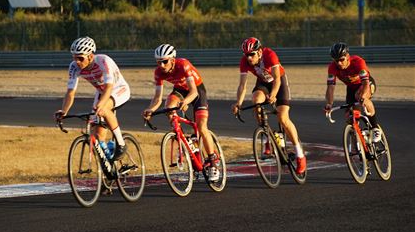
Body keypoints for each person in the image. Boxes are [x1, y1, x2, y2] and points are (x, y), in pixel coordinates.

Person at [142, 43, 220, 181]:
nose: (161, 65)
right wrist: (151, 109)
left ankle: (212, 161)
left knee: (201, 126)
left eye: (164, 61)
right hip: (179, 90)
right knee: (169, 106)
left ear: (172, 60)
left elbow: (193, 91)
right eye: (158, 62)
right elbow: (157, 98)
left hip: (196, 90)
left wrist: (186, 102)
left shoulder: (183, 65)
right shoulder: (158, 72)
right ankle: (183, 138)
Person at [231, 37, 306, 174]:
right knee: (256, 100)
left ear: (259, 52)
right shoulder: (245, 62)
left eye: (251, 55)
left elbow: (277, 79)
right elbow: (242, 85)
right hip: (263, 82)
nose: (248, 58)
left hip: (279, 82)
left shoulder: (270, 55)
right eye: (246, 55)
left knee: (283, 118)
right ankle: (267, 138)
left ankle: (300, 154)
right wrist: (238, 103)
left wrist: (273, 95)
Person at [54, 36, 131, 163]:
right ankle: (109, 166)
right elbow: (70, 92)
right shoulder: (74, 67)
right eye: (74, 57)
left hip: (118, 89)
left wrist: (101, 105)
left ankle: (121, 144)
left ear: (90, 56)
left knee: (104, 108)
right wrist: (64, 110)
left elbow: (108, 87)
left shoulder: (103, 61)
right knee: (97, 136)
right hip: (102, 92)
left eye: (80, 58)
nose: (77, 61)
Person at [324, 42, 381, 142]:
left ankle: (375, 128)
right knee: (349, 116)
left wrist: (363, 96)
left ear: (348, 56)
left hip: (365, 83)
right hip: (351, 88)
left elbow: (365, 83)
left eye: (342, 60)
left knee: (359, 96)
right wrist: (329, 103)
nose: (339, 63)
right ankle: (357, 142)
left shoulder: (358, 62)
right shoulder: (332, 67)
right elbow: (330, 88)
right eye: (336, 61)